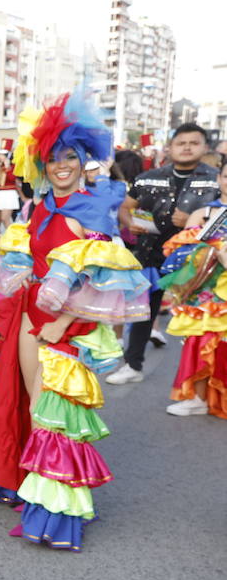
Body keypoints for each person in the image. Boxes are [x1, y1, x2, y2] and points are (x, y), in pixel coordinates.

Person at [0, 92, 151, 551]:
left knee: (57, 414)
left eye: (69, 157)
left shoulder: (92, 210)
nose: (61, 166)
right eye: (52, 159)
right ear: (41, 165)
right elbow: (28, 263)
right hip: (33, 316)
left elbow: (105, 281)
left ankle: (57, 513)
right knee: (31, 406)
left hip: (68, 324)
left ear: (83, 159)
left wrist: (62, 321)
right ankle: (34, 490)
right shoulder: (40, 207)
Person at [107, 122, 221, 385]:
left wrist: (195, 225)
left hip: (200, 262)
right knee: (142, 312)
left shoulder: (216, 178)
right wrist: (129, 222)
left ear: (204, 147)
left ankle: (201, 383)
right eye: (181, 143)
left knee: (202, 320)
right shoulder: (149, 177)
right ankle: (132, 365)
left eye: (194, 143)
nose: (187, 148)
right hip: (150, 256)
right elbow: (126, 207)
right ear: (170, 147)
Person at [158, 169, 227, 417]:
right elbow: (180, 254)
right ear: (219, 178)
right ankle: (197, 397)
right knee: (199, 342)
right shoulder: (203, 213)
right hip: (204, 291)